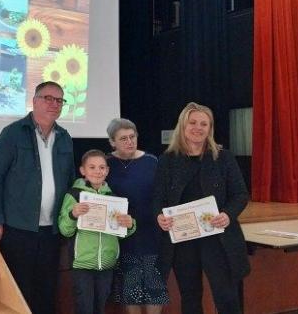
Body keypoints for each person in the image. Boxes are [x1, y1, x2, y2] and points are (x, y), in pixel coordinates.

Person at [0, 81, 76, 314]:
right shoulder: (13, 133)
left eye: (59, 100)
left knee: (47, 291)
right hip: (19, 228)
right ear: (34, 101)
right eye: (48, 98)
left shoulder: (64, 137)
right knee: (20, 291)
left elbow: (70, 182)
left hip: (51, 231)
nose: (54, 104)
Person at [153, 102, 250, 314]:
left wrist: (227, 215)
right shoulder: (167, 161)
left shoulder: (224, 158)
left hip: (218, 238)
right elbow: (157, 199)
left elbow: (241, 195)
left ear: (210, 128)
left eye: (204, 124)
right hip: (183, 239)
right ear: (183, 126)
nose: (198, 127)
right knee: (190, 296)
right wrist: (159, 216)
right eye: (193, 122)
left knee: (226, 295)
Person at [58, 149, 136, 314]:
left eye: (101, 167)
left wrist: (129, 224)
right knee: (84, 308)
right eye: (92, 167)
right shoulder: (74, 195)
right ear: (82, 171)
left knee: (100, 308)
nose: (97, 171)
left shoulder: (114, 198)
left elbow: (121, 233)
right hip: (82, 264)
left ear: (107, 171)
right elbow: (65, 230)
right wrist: (73, 214)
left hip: (107, 265)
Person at [105, 118, 169, 314]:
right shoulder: (105, 164)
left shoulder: (151, 161)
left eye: (132, 137)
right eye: (123, 138)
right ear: (112, 142)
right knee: (130, 289)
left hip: (152, 233)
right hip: (123, 236)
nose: (129, 142)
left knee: (154, 287)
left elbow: (163, 194)